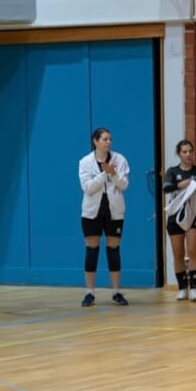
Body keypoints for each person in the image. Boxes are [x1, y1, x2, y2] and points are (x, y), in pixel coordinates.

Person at [78, 128, 130, 307]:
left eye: (110, 139)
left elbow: (124, 185)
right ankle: (89, 292)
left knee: (113, 249)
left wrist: (114, 173)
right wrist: (104, 174)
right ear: (95, 141)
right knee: (92, 249)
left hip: (114, 211)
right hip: (92, 212)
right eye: (105, 139)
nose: (108, 142)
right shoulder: (85, 162)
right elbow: (88, 187)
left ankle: (116, 291)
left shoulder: (119, 159)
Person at [164, 139, 196, 301]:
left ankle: (194, 288)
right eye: (184, 151)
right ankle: (182, 287)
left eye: (190, 151)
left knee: (193, 251)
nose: (188, 154)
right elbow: (166, 187)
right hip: (176, 214)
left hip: (193, 213)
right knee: (178, 253)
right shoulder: (173, 171)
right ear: (179, 154)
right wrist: (180, 185)